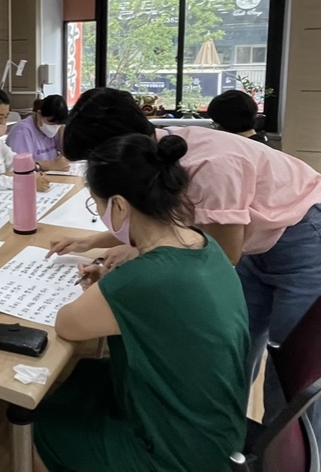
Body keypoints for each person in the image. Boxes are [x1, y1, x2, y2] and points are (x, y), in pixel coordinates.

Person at [47, 86, 321, 433]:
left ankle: (282, 453)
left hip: (302, 234)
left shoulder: (209, 166)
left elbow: (221, 255)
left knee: (290, 369)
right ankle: (225, 435)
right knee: (236, 346)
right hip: (255, 237)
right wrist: (97, 241)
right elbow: (160, 221)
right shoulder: (158, 152)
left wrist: (140, 259)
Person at [34, 133, 250, 472]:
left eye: (98, 206)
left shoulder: (143, 278)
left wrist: (112, 289)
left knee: (41, 428)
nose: (101, 215)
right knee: (87, 375)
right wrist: (117, 288)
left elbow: (67, 325)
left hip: (178, 454)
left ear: (120, 206)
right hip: (218, 430)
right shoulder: (202, 243)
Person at [6, 94, 70, 172]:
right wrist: (51, 165)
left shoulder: (57, 129)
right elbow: (20, 165)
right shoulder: (22, 131)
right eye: (51, 123)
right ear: (39, 114)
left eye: (58, 124)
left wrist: (62, 133)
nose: (54, 127)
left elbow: (68, 155)